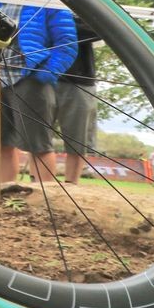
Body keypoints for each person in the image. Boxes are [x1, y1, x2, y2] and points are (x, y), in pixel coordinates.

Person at [0, 0, 77, 194]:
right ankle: (4, 194)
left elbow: (67, 44)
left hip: (30, 79)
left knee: (38, 144)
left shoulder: (49, 1)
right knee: (0, 141)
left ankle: (46, 199)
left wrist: (44, 73)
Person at [57, 18, 99, 184]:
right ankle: (36, 183)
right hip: (41, 77)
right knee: (37, 138)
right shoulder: (40, 1)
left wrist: (56, 25)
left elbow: (98, 29)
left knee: (78, 139)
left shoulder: (84, 7)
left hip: (80, 81)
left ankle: (71, 185)